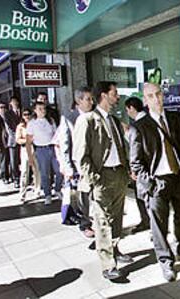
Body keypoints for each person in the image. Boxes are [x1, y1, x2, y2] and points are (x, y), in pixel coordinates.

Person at [130, 82, 180, 282]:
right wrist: (150, 185)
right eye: (151, 96)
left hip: (178, 177)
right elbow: (136, 162)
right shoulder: (139, 127)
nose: (156, 99)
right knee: (159, 225)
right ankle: (166, 263)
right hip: (158, 182)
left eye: (158, 94)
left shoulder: (175, 118)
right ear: (145, 100)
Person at [73, 81, 133, 280]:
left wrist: (127, 171)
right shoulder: (88, 120)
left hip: (119, 175)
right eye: (115, 93)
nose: (117, 97)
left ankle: (115, 250)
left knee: (116, 219)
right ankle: (108, 265)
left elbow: (121, 148)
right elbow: (80, 155)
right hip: (102, 177)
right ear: (104, 96)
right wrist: (94, 179)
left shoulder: (114, 120)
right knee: (102, 221)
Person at [59, 87, 95, 237]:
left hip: (96, 162)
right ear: (79, 101)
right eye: (88, 99)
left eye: (92, 99)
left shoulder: (95, 115)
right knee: (85, 196)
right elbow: (65, 145)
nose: (91, 102)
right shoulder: (69, 118)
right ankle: (85, 224)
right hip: (79, 165)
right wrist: (68, 169)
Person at [26, 101, 63, 205]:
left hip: (52, 148)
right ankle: (47, 194)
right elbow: (28, 141)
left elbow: (56, 135)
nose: (43, 111)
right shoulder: (32, 123)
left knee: (59, 170)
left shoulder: (50, 121)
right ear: (35, 110)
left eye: (44, 109)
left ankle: (57, 189)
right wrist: (30, 157)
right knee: (44, 173)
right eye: (40, 109)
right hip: (41, 150)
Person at [124, 96, 150, 233]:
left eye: (127, 110)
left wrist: (134, 170)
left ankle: (147, 222)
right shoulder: (151, 120)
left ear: (131, 108)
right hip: (152, 168)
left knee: (142, 197)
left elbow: (135, 149)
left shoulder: (137, 126)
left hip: (143, 169)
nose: (127, 113)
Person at [16, 108, 41, 201]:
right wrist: (27, 140)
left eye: (28, 114)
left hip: (35, 148)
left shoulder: (35, 124)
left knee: (37, 170)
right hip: (25, 149)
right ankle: (22, 193)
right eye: (25, 114)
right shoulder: (20, 126)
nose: (27, 116)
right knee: (24, 171)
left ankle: (37, 190)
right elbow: (17, 139)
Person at [4, 96, 22, 188]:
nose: (15, 103)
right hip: (13, 140)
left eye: (16, 101)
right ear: (10, 103)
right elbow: (9, 128)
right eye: (13, 102)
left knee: (23, 160)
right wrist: (17, 136)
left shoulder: (22, 112)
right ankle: (16, 179)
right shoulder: (7, 114)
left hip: (23, 140)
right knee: (14, 161)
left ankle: (26, 178)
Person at [0, 103, 11, 184]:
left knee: (10, 160)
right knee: (3, 160)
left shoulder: (8, 116)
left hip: (10, 140)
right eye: (1, 107)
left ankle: (11, 175)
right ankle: (4, 177)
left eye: (4, 107)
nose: (3, 109)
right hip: (2, 142)